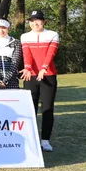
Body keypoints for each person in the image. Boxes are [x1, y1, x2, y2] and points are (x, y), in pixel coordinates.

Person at [20, 10, 60, 152]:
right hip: (30, 76)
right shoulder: (25, 36)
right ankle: (31, 139)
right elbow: (27, 54)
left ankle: (45, 140)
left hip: (48, 76)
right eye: (32, 21)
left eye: (38, 20)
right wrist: (27, 68)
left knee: (47, 108)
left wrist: (44, 68)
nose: (35, 23)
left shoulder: (53, 34)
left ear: (44, 21)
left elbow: (50, 54)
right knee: (30, 109)